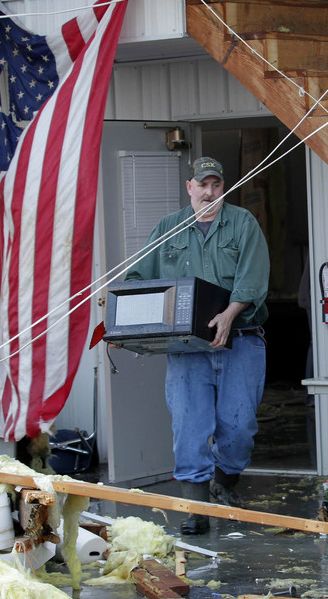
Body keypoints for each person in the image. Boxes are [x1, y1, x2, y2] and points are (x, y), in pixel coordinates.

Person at [125, 156, 270, 536]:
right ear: (189, 187)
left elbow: (253, 278)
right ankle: (196, 509)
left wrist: (229, 313)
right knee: (189, 428)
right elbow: (138, 278)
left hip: (240, 340)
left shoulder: (243, 224)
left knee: (239, 428)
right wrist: (136, 320)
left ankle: (225, 477)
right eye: (202, 185)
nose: (209, 192)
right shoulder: (167, 229)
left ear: (223, 187)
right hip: (186, 351)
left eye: (216, 185)